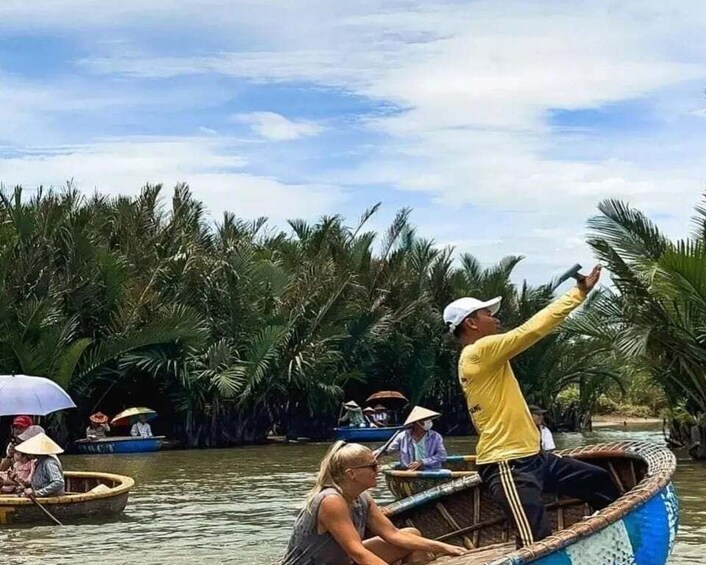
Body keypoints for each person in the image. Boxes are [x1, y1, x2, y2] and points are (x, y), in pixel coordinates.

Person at [444, 265, 619, 547]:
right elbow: (532, 329)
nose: (496, 319)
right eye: (488, 314)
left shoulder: (486, 356)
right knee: (534, 542)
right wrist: (579, 292)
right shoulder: (478, 351)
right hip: (507, 464)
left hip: (534, 458)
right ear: (471, 323)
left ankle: (608, 540)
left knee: (597, 480)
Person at [280, 441, 466, 564]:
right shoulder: (331, 501)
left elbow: (392, 534)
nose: (379, 469)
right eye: (372, 466)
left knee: (412, 536)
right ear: (351, 474)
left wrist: (444, 547)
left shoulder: (363, 498)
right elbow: (357, 552)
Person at [374, 406, 447, 471]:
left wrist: (422, 462)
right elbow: (388, 450)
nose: (428, 422)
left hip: (431, 470)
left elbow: (442, 456)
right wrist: (373, 456)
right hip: (409, 470)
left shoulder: (435, 436)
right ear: (416, 423)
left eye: (428, 419)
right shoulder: (402, 436)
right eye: (425, 419)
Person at [14, 426, 65, 498]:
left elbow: (58, 482)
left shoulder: (48, 462)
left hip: (50, 499)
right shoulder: (38, 461)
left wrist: (37, 493)